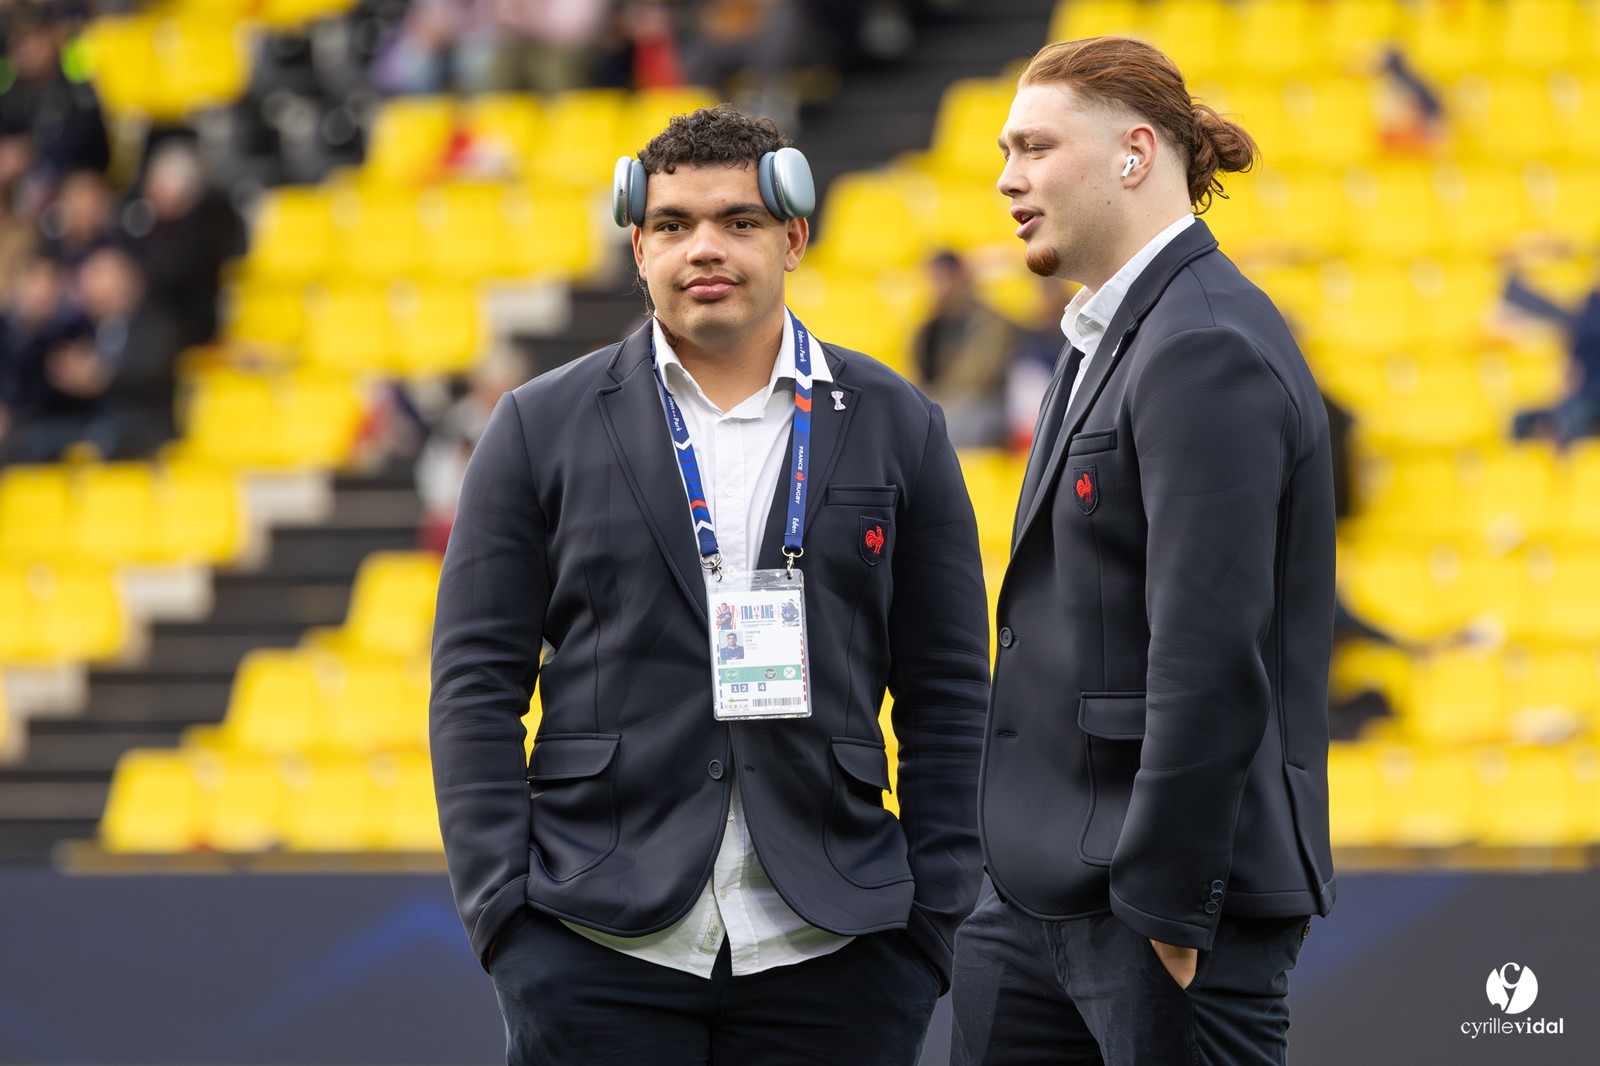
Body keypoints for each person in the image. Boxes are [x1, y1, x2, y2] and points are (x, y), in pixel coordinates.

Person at [429, 104, 989, 1065]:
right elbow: (474, 681)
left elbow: (949, 691)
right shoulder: (537, 425)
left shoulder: (899, 423)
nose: (705, 248)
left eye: (739, 221)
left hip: (839, 951)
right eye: (674, 224)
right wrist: (504, 920)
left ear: (793, 238)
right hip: (593, 942)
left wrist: (928, 926)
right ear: (638, 246)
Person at [951, 37, 1337, 1066]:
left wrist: (1167, 905)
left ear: (1134, 153)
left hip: (1153, 903)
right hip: (1035, 896)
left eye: (1035, 148)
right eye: (1004, 152)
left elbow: (1210, 651)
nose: (1007, 179)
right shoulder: (1107, 334)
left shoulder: (1203, 340)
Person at [911, 250, 1017, 448]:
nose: (939, 289)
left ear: (961, 277)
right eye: (934, 280)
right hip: (946, 402)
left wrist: (934, 399)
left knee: (944, 426)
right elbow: (919, 373)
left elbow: (977, 379)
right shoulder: (930, 326)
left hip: (985, 404)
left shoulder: (989, 322)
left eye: (944, 279)